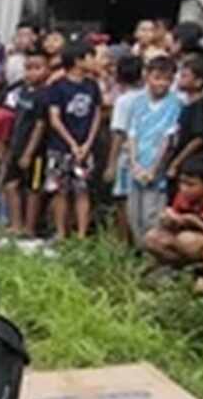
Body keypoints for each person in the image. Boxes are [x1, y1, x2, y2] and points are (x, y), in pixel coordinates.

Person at [45, 40, 102, 239]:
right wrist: (72, 143)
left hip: (85, 146)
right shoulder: (58, 87)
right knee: (60, 190)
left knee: (82, 190)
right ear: (78, 60)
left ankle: (81, 233)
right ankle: (61, 232)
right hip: (60, 146)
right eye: (90, 57)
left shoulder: (92, 86)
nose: (94, 61)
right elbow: (54, 118)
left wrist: (87, 143)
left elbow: (96, 115)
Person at [124, 56, 182, 247]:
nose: (162, 83)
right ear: (147, 76)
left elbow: (168, 140)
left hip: (157, 170)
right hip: (136, 166)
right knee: (134, 216)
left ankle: (156, 262)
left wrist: (154, 170)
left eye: (167, 79)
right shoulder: (137, 101)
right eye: (157, 77)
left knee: (153, 216)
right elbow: (131, 134)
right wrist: (134, 164)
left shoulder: (175, 103)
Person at [144, 155, 203, 269]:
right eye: (181, 183)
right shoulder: (182, 196)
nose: (183, 188)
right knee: (151, 237)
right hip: (187, 238)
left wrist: (195, 222)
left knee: (187, 239)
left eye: (190, 185)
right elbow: (175, 224)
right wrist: (169, 221)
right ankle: (179, 267)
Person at [1, 49, 50, 236]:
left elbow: (40, 126)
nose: (31, 72)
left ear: (46, 70)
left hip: (36, 152)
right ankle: (16, 225)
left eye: (37, 68)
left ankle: (30, 228)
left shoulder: (44, 95)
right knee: (10, 185)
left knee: (33, 189)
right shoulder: (21, 92)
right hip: (16, 145)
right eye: (28, 68)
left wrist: (29, 153)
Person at [104, 55, 146, 243]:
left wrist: (111, 164)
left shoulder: (124, 101)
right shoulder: (149, 97)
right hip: (146, 155)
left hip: (126, 157)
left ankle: (125, 242)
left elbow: (118, 133)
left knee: (123, 201)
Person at [164, 54, 203, 201]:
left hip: (192, 163)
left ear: (199, 82)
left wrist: (176, 162)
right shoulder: (186, 104)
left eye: (185, 76)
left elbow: (198, 138)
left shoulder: (199, 106)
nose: (179, 79)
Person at [5, 20, 39, 86]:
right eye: (18, 35)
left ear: (34, 37)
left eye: (24, 35)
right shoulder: (13, 59)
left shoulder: (42, 57)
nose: (20, 39)